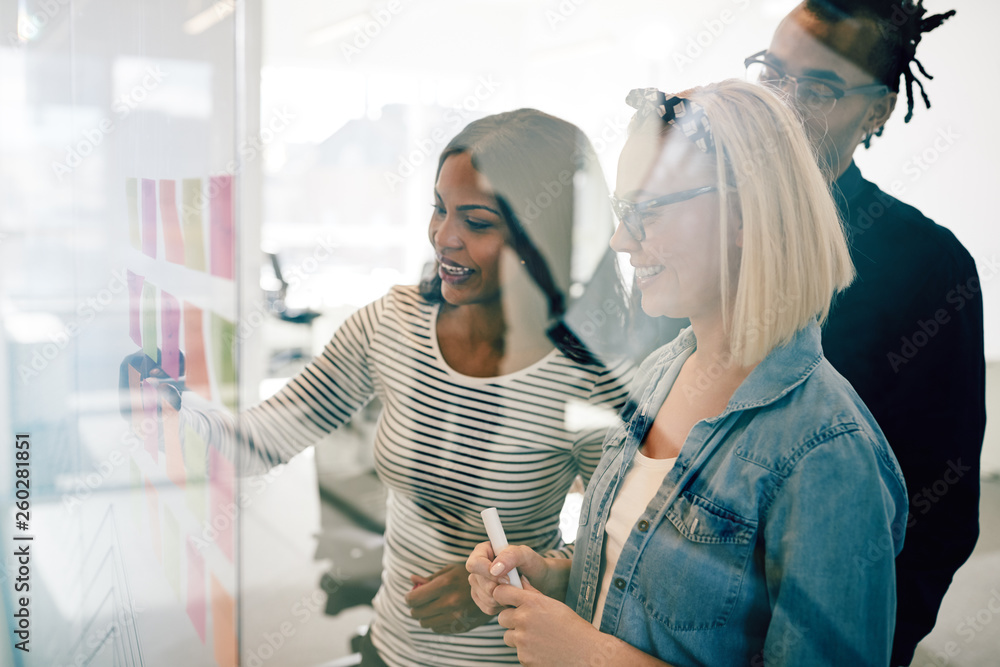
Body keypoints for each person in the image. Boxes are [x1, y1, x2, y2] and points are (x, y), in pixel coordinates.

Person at [125, 109, 632, 667]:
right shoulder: (391, 324)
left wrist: (504, 580)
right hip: (387, 649)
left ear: (542, 234)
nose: (445, 237)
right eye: (439, 210)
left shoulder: (587, 376)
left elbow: (615, 554)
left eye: (478, 222)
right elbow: (263, 439)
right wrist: (176, 411)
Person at [467, 80, 908, 666]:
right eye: (623, 212)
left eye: (646, 211)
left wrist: (590, 655)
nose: (622, 240)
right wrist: (551, 576)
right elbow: (640, 563)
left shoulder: (827, 451)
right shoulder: (663, 371)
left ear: (748, 211)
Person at [747, 2, 985, 662]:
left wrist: (859, 639)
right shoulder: (700, 229)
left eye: (819, 89)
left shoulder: (929, 267)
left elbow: (942, 508)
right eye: (774, 74)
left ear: (877, 112)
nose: (786, 105)